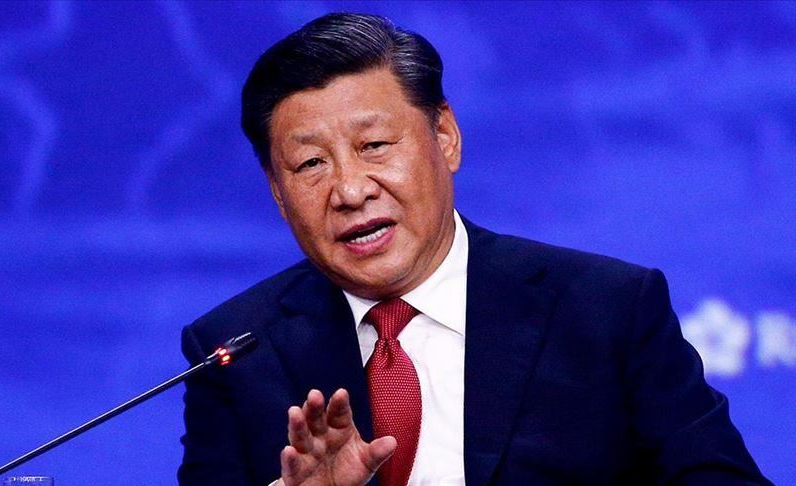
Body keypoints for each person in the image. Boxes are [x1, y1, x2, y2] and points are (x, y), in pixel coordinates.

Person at [178, 13, 768, 486]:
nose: (351, 190)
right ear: (278, 194)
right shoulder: (234, 352)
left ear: (445, 137)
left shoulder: (607, 310)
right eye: (310, 163)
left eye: (374, 145)